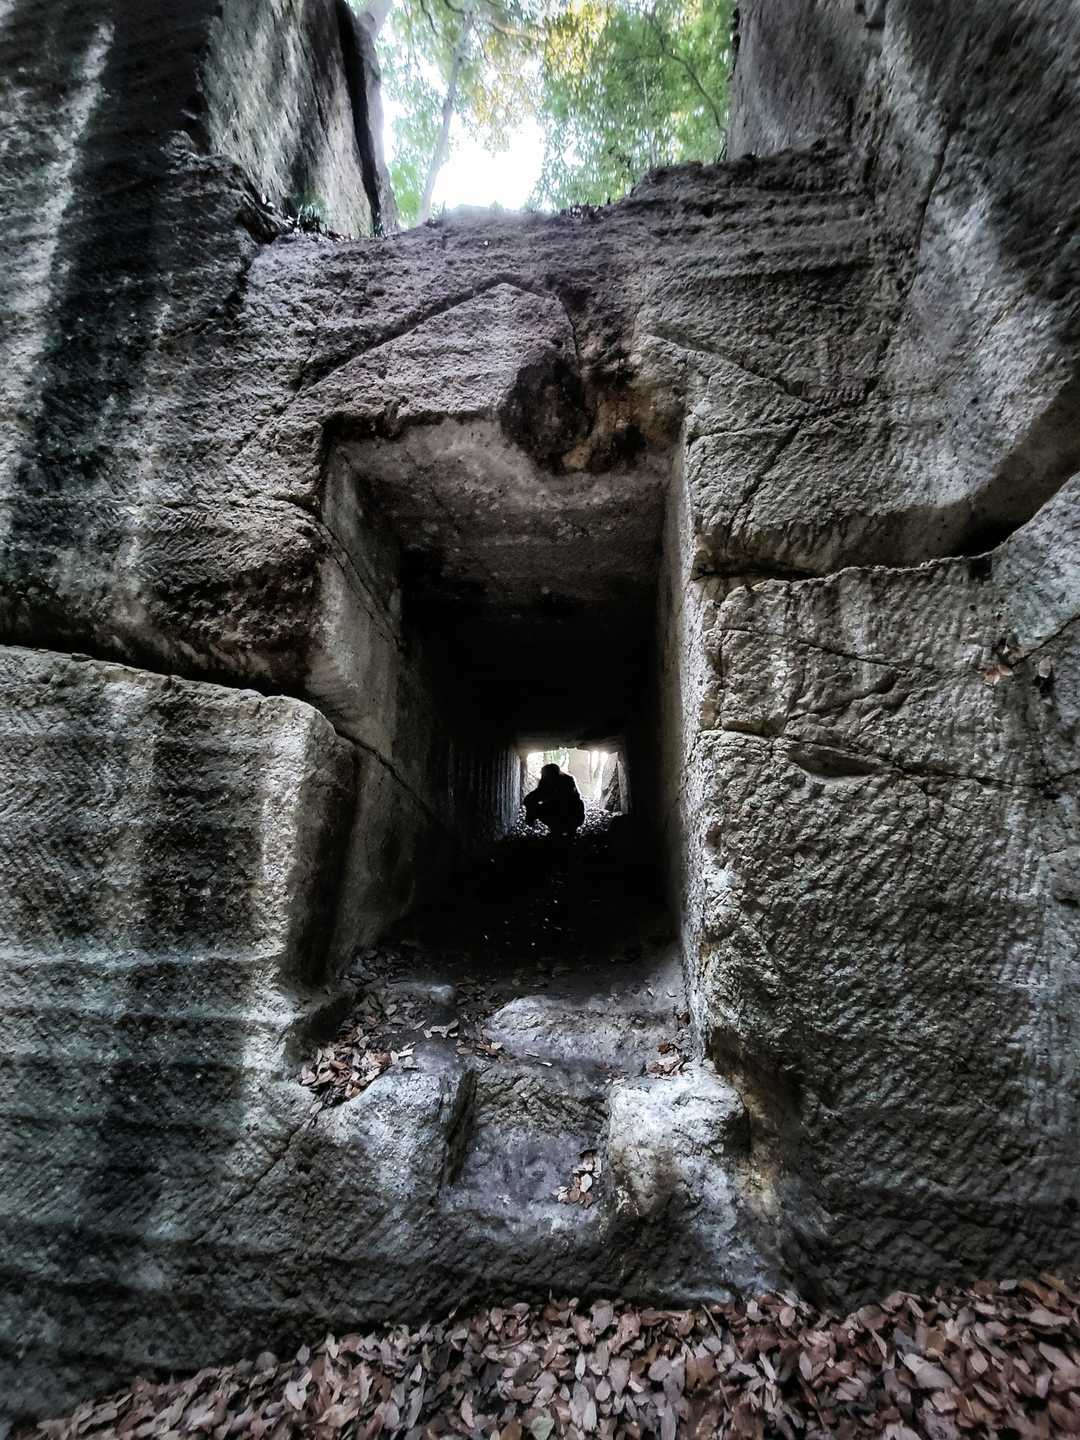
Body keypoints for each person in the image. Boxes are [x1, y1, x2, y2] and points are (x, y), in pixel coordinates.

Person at [523, 763, 585, 836]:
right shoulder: (566, 780)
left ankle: (559, 829)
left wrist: (531, 814)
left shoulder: (564, 782)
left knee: (557, 808)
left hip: (570, 815)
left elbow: (563, 803)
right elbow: (530, 798)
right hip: (574, 816)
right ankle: (563, 829)